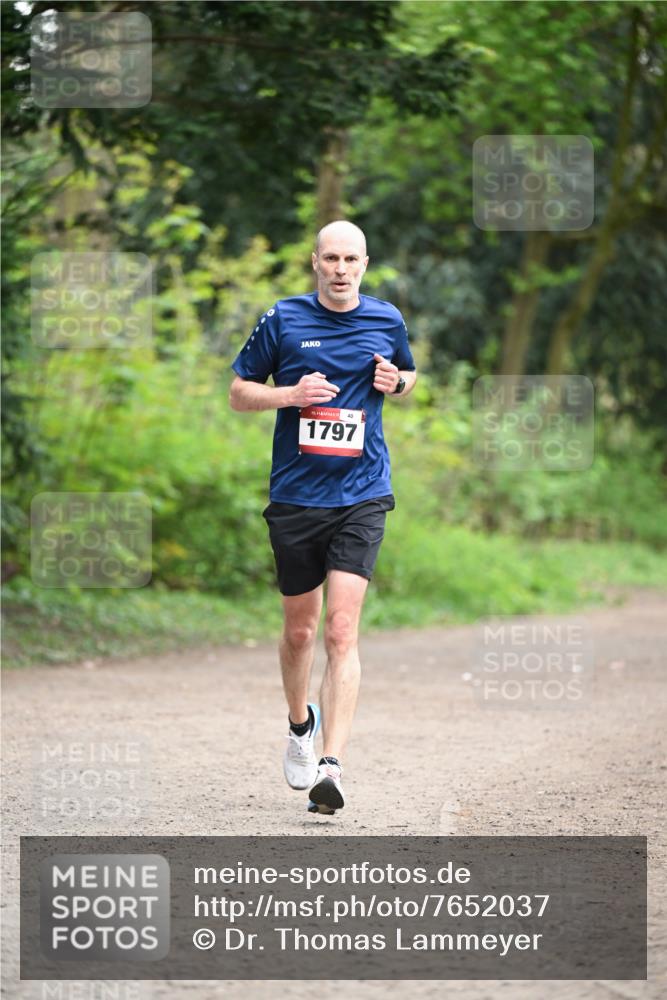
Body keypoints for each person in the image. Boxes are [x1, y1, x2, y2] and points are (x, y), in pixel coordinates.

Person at [229, 220, 417, 815]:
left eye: (351, 259)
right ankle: (299, 724)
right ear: (315, 262)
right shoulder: (283, 319)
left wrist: (400, 382)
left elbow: (406, 374)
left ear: (365, 263)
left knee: (340, 630)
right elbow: (238, 390)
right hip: (296, 497)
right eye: (331, 258)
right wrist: (289, 395)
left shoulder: (386, 319)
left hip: (362, 493)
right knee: (301, 632)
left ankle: (332, 765)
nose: (341, 269)